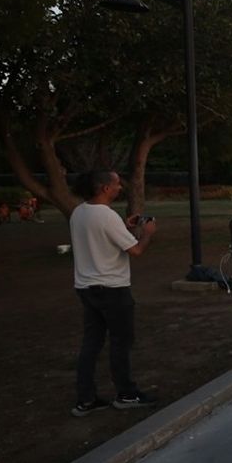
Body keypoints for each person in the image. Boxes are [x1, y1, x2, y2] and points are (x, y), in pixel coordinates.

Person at [69, 170, 158, 416]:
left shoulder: (79, 212)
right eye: (117, 184)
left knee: (91, 343)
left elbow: (101, 238)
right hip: (112, 289)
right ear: (105, 187)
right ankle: (126, 394)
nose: (120, 188)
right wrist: (147, 233)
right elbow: (136, 250)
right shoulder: (107, 216)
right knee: (121, 342)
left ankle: (85, 399)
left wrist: (125, 225)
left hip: (86, 287)